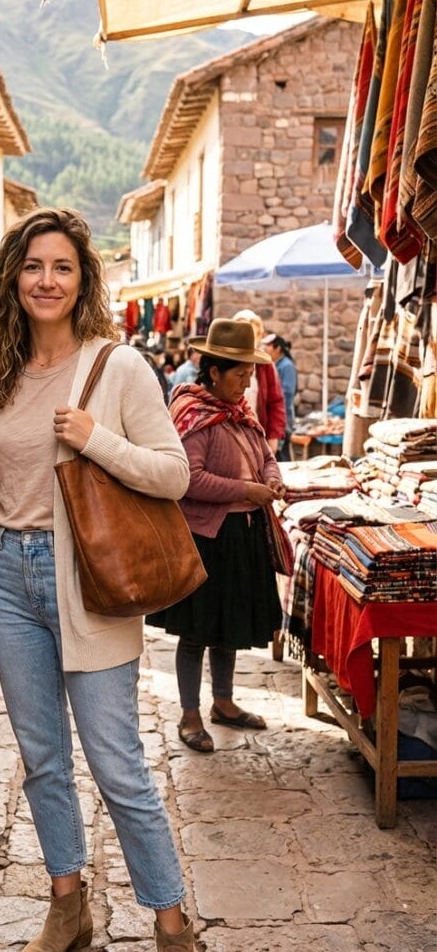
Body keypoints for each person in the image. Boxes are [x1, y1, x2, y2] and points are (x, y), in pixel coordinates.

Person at [0, 207, 200, 952]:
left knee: (120, 768)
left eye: (61, 266)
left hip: (86, 589)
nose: (46, 280)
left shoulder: (119, 366)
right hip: (10, 585)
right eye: (32, 267)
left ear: (82, 279)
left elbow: (172, 474)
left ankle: (172, 932)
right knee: (42, 760)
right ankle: (68, 901)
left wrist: (95, 439)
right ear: (11, 281)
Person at [147, 318, 285, 754]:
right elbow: (190, 479)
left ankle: (223, 702)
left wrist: (273, 478)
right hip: (207, 539)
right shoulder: (195, 416)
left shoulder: (241, 415)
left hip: (241, 536)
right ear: (214, 372)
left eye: (249, 374)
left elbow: (266, 455)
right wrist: (248, 490)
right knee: (197, 629)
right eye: (240, 374)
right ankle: (189, 713)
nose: (247, 383)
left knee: (229, 626)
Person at [231, 308, 286, 453]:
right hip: (230, 435)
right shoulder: (226, 362)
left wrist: (273, 437)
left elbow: (276, 402)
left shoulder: (265, 365)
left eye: (254, 334)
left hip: (257, 436)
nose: (250, 339)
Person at [264, 333, 298, 461]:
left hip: (282, 420)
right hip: (277, 419)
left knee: (281, 457)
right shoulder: (276, 365)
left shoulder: (286, 366)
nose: (265, 348)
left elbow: (287, 394)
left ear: (277, 348)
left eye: (268, 346)